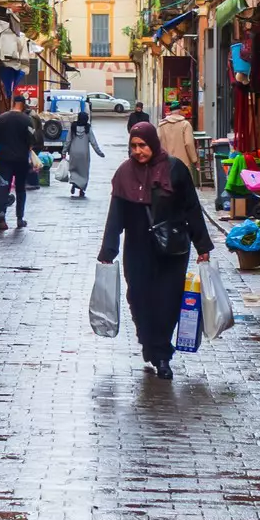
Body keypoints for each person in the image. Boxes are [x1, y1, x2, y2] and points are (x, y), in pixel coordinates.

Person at [96, 122, 211, 379]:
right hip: (137, 250)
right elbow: (116, 216)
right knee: (138, 300)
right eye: (133, 146)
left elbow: (192, 208)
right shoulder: (124, 174)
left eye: (143, 145)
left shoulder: (174, 169)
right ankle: (149, 344)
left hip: (172, 250)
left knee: (167, 302)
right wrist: (108, 251)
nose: (138, 151)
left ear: (153, 144)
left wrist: (202, 245)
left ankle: (161, 355)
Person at [0, 96, 38, 232]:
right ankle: (19, 218)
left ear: (13, 103)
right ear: (23, 105)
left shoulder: (2, 118)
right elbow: (32, 138)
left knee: (4, 186)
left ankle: (2, 217)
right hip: (21, 160)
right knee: (20, 189)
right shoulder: (27, 120)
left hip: (5, 158)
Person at [64, 102, 103, 197]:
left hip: (73, 152)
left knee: (74, 169)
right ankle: (81, 189)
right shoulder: (87, 128)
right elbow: (93, 142)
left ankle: (74, 183)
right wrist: (99, 152)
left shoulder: (73, 127)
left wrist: (64, 151)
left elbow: (68, 140)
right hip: (84, 153)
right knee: (84, 171)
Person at [156, 105, 199, 184]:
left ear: (171, 112)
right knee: (184, 188)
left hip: (166, 162)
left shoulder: (161, 125)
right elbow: (189, 143)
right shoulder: (185, 124)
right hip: (183, 163)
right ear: (180, 111)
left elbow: (157, 143)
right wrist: (194, 160)